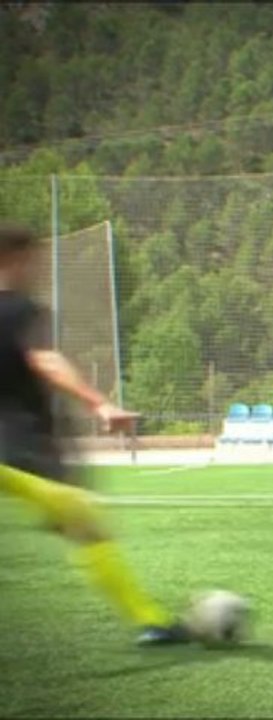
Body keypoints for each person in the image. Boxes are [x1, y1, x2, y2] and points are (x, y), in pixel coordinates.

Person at [0, 222, 188, 646]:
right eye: (33, 258)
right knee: (87, 530)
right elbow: (45, 360)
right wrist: (99, 402)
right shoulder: (19, 310)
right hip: (21, 450)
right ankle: (151, 621)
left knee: (78, 527)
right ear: (16, 257)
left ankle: (151, 620)